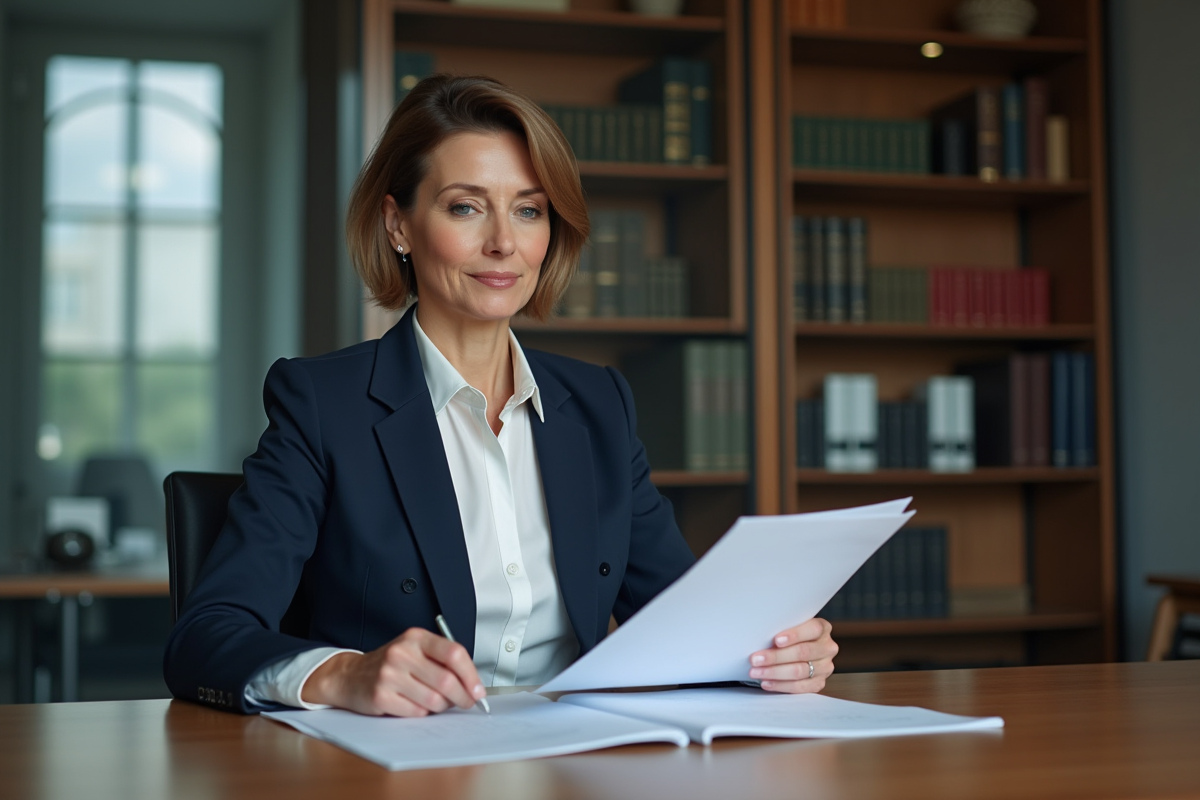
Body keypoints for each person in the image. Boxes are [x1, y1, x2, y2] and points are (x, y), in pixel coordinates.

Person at [163, 74, 838, 716]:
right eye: (466, 207)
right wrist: (344, 673)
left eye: (528, 210)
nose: (503, 243)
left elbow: (681, 623)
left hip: (581, 763)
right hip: (398, 771)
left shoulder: (600, 403)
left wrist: (773, 654)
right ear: (398, 225)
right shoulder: (322, 403)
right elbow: (205, 636)